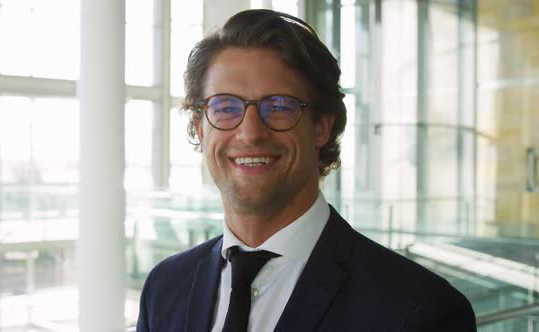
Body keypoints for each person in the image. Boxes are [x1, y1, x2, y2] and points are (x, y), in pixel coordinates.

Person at [137, 9, 476, 332]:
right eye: (226, 107)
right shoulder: (165, 287)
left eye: (279, 106)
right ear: (199, 127)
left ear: (321, 127)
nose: (251, 132)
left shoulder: (420, 309)